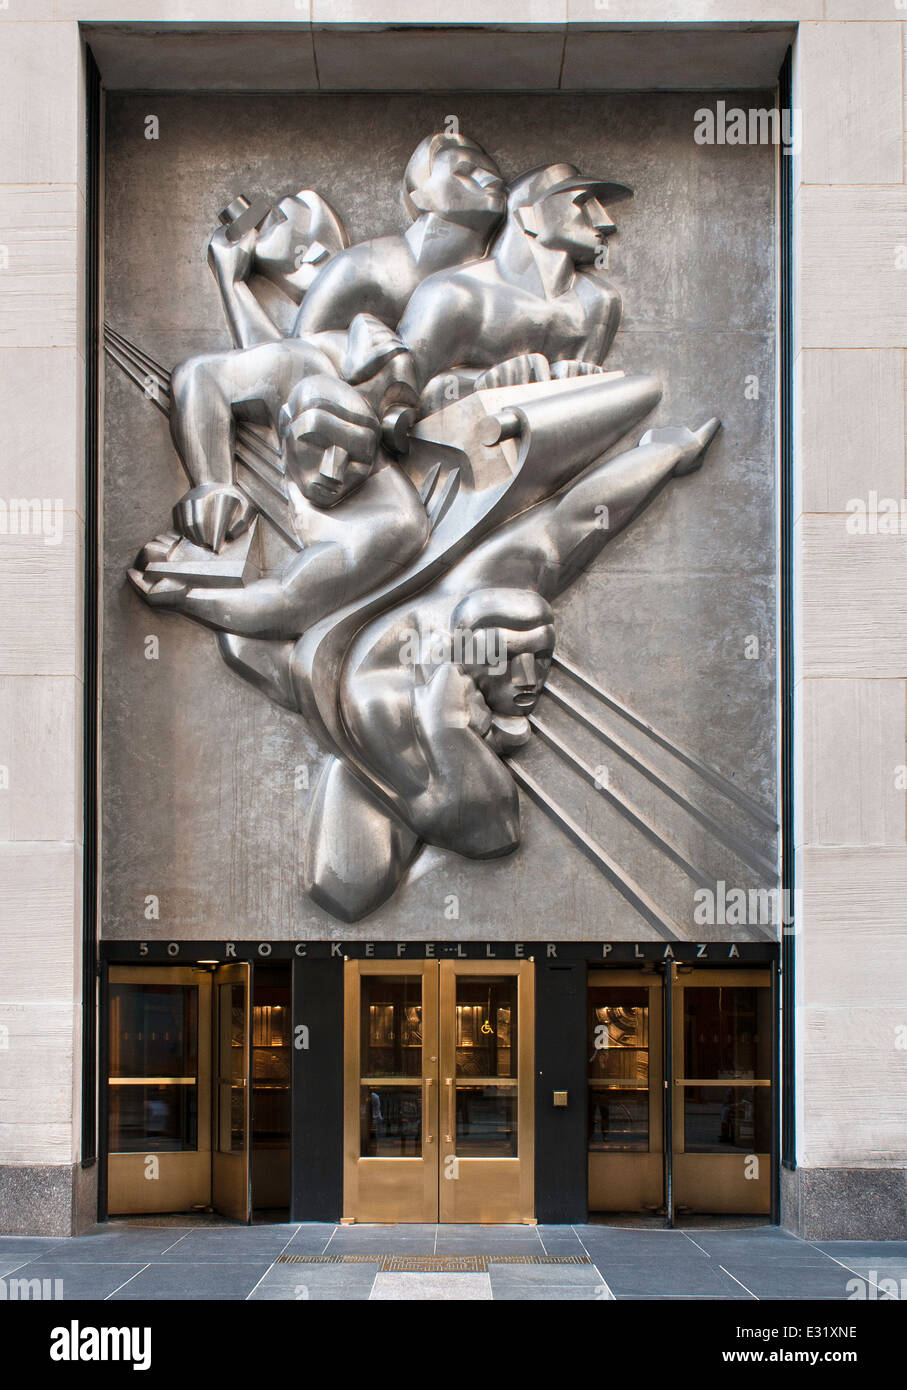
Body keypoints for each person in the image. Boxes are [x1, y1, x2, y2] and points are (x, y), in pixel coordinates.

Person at [396, 162, 631, 415]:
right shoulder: (453, 294)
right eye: (582, 203)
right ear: (530, 215)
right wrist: (478, 385)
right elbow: (401, 400)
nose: (604, 222)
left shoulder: (598, 302)